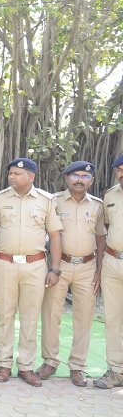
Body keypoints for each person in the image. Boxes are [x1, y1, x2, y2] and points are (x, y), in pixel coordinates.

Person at [0, 158, 62, 387]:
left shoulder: (46, 201)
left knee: (29, 318)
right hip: (5, 264)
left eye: (18, 173)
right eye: (11, 173)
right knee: (5, 316)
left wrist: (54, 269)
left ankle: (26, 366)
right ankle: (4, 364)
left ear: (31, 177)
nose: (12, 177)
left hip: (35, 266)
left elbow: (55, 236)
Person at [35, 161, 105, 388]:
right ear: (66, 178)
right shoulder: (53, 201)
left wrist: (100, 270)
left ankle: (77, 366)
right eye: (75, 175)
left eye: (85, 176)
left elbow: (101, 238)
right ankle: (50, 360)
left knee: (84, 317)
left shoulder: (97, 205)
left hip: (87, 266)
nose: (79, 180)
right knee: (51, 314)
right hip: (59, 265)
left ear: (91, 181)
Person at [97, 154, 123, 388]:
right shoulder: (110, 196)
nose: (122, 173)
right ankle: (116, 370)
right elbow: (104, 229)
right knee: (113, 319)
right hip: (113, 262)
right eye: (119, 169)